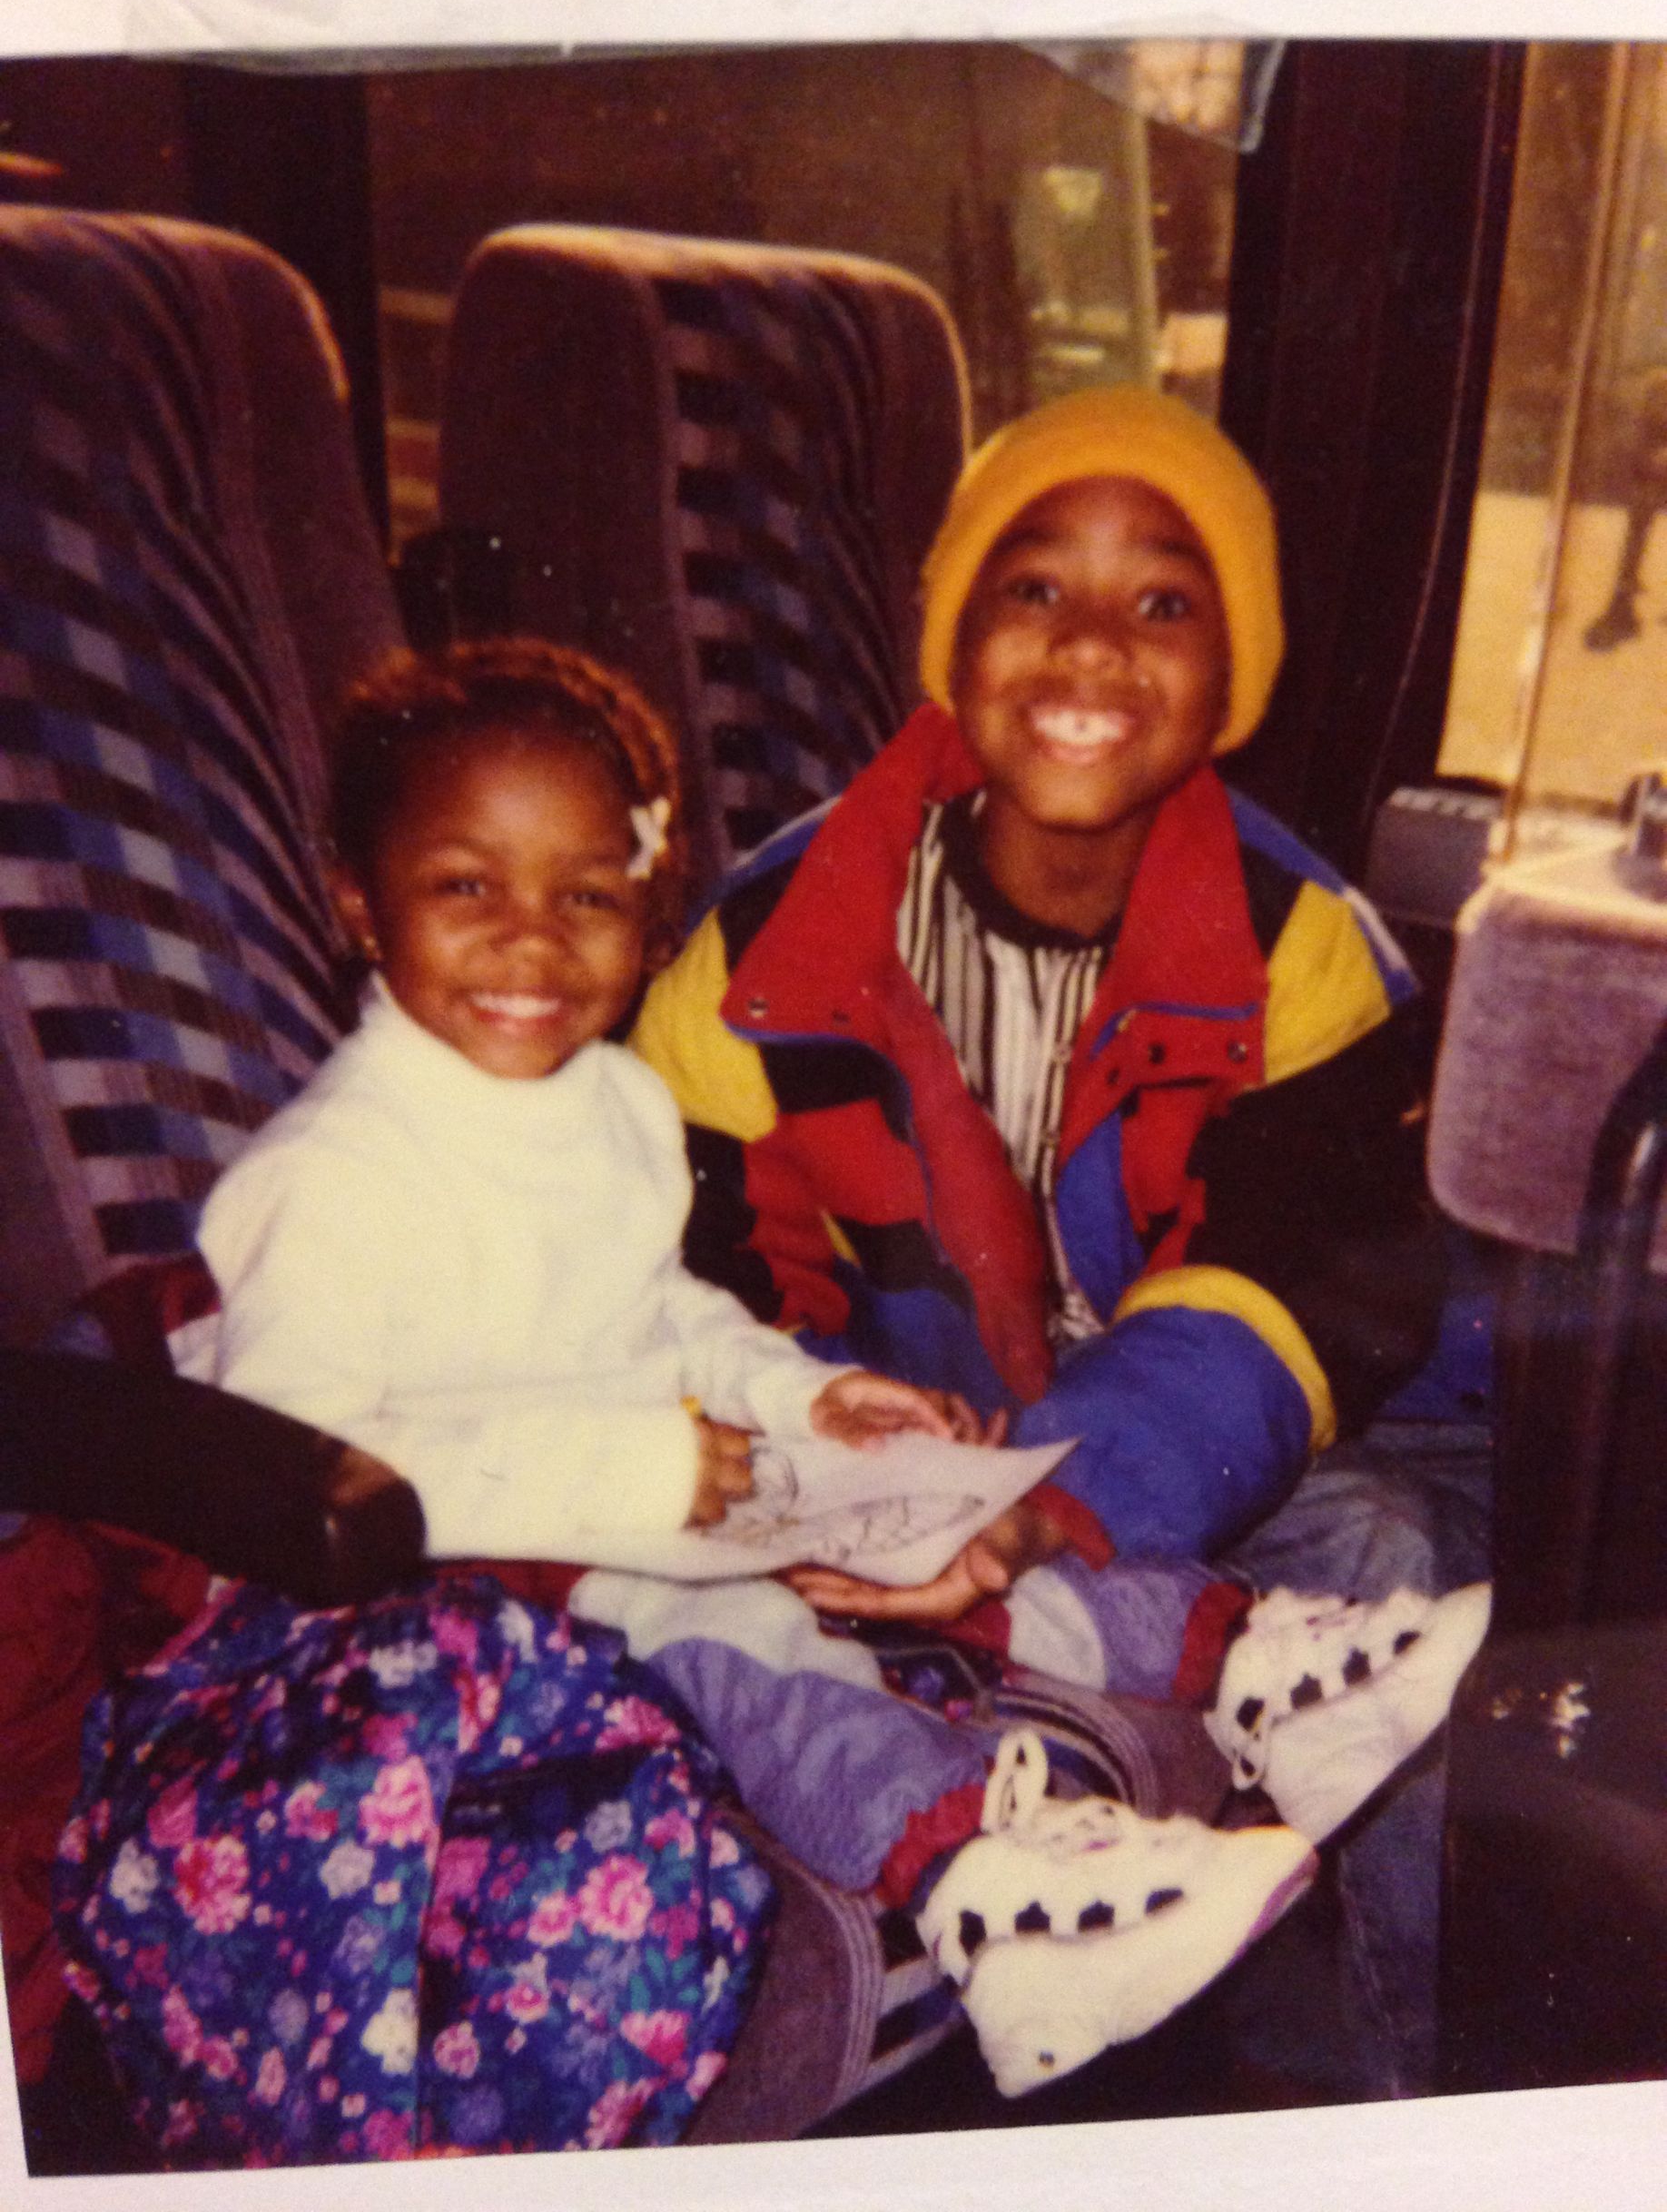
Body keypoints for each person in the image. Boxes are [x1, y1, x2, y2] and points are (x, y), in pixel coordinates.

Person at [182, 633, 1485, 2099]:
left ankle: (1264, 1672)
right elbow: (287, 1465)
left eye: (589, 896)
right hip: (475, 1574)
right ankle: (989, 1890)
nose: (534, 943)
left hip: (656, 1478)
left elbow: (660, 1311)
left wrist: (801, 1397)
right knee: (760, 1653)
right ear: (362, 902)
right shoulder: (333, 1174)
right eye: (467, 888)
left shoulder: (606, 1100)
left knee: (935, 1538)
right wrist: (634, 1478)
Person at [630, 389, 1493, 2086]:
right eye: (1034, 591)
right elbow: (688, 1283)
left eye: (1164, 602)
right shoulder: (766, 952)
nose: (1093, 648)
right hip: (905, 1439)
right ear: (956, 637)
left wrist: (1034, 1507)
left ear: (1233, 667)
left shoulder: (1299, 947)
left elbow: (1297, 1296)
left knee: (1383, 1550)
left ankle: (1422, 2107)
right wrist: (845, 1469)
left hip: (1217, 1432)